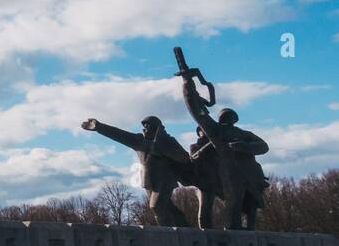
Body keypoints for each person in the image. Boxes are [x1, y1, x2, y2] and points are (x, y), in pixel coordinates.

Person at [181, 79, 270, 230]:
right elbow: (197, 112)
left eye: (229, 116)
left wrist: (244, 146)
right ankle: (233, 226)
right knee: (234, 199)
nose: (225, 118)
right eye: (223, 115)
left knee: (252, 202)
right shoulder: (215, 130)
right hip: (228, 171)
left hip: (250, 171)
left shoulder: (243, 133)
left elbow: (263, 146)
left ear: (234, 119)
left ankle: (249, 228)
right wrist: (187, 88)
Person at [81, 116, 191, 226]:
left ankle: (168, 234)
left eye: (149, 125)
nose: (146, 127)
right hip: (149, 181)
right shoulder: (139, 141)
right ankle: (185, 227)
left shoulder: (167, 141)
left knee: (156, 206)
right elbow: (120, 134)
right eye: (144, 125)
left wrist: (164, 149)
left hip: (165, 180)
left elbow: (184, 157)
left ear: (156, 127)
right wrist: (100, 127)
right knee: (167, 207)